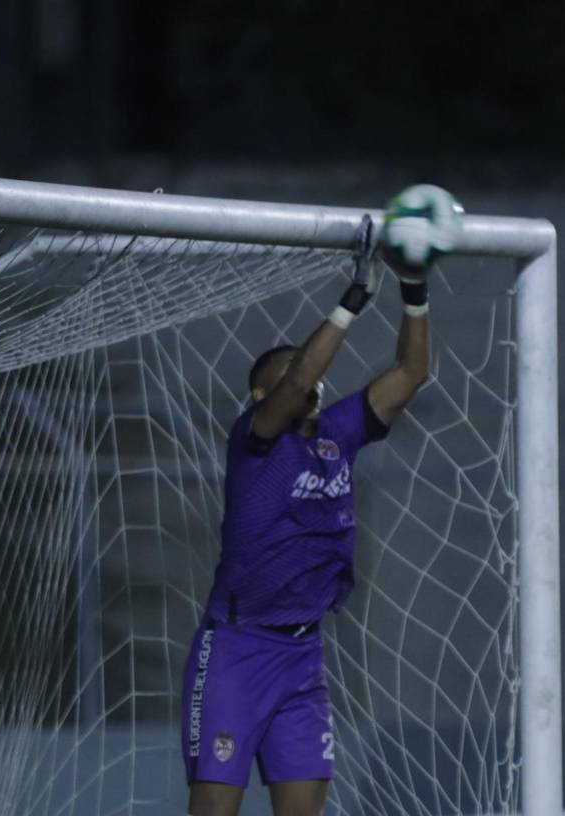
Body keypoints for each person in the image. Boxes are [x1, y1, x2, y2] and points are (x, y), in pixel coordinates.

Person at [181, 250, 432, 816]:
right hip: (236, 651)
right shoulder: (256, 440)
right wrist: (351, 302)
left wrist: (412, 287)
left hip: (301, 655)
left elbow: (411, 373)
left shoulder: (337, 434)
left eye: (318, 380)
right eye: (296, 376)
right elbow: (296, 383)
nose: (314, 386)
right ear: (259, 397)